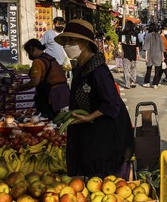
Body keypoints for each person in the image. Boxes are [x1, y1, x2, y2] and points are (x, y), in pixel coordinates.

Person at [55, 19, 134, 179]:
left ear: (84, 43)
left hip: (105, 132)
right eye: (65, 41)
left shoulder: (98, 71)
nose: (66, 45)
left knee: (102, 176)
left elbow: (111, 102)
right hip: (89, 130)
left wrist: (89, 117)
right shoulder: (80, 67)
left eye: (71, 41)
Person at [16, 39, 69, 119]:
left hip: (51, 96)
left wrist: (22, 87)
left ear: (31, 48)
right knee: (61, 120)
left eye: (28, 52)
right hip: (64, 94)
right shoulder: (50, 58)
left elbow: (35, 82)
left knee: (50, 120)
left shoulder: (38, 61)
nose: (29, 55)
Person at [142, 23, 165, 89]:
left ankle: (147, 82)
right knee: (157, 70)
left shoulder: (148, 35)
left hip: (151, 55)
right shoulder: (159, 36)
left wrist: (146, 56)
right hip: (158, 55)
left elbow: (146, 47)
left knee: (149, 69)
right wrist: (162, 56)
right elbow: (162, 47)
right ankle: (155, 84)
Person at [120, 20, 140, 89]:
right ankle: (133, 81)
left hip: (125, 53)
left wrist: (120, 52)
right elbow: (137, 45)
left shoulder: (122, 34)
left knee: (126, 69)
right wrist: (138, 54)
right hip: (133, 53)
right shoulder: (135, 33)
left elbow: (120, 44)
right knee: (133, 68)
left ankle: (127, 84)